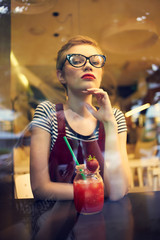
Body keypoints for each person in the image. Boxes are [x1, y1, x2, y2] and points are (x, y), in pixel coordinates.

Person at [30, 35, 131, 201]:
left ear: (101, 73)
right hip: (58, 220)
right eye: (77, 60)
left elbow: (119, 190)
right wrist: (99, 191)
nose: (88, 66)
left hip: (104, 220)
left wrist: (109, 124)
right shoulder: (48, 113)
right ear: (61, 76)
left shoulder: (115, 117)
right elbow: (40, 188)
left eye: (95, 61)